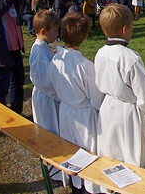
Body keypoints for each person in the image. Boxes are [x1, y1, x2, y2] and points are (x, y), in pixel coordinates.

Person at [95, 4, 145, 168]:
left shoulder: (100, 52)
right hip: (128, 112)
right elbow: (143, 91)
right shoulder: (130, 58)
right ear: (125, 29)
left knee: (111, 147)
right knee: (131, 152)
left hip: (108, 107)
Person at [50, 12, 103, 194]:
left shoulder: (56, 59)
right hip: (82, 113)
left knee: (71, 148)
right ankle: (85, 186)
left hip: (65, 110)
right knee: (85, 151)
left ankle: (76, 184)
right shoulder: (85, 66)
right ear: (86, 35)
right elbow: (96, 97)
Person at [28, 10, 62, 184]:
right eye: (54, 31)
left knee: (52, 131)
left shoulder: (42, 48)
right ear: (43, 31)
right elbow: (44, 81)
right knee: (49, 130)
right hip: (46, 99)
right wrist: (60, 93)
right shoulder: (39, 53)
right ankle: (54, 171)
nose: (57, 34)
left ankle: (55, 167)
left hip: (47, 96)